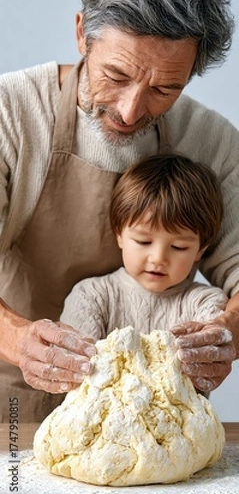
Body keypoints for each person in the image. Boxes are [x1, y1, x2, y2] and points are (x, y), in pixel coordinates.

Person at [0, 0, 238, 422]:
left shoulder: (211, 141)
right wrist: (17, 338)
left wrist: (227, 333)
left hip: (149, 410)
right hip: (11, 390)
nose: (132, 111)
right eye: (116, 74)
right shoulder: (11, 114)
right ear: (82, 33)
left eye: (164, 89)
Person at [61, 153, 229, 394]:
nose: (158, 258)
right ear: (119, 234)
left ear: (200, 250)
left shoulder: (206, 304)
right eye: (143, 241)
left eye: (179, 247)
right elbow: (80, 378)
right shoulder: (91, 296)